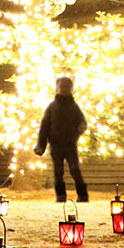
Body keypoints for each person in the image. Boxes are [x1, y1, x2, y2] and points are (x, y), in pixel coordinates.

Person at [35, 75, 89, 204]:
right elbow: (44, 126)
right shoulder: (52, 107)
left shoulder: (74, 107)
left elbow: (82, 121)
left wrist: (81, 127)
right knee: (58, 171)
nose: (64, 89)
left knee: (75, 169)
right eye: (62, 87)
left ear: (71, 89)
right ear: (57, 88)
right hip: (56, 144)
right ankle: (60, 195)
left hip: (70, 143)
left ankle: (83, 195)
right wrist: (41, 145)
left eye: (67, 87)